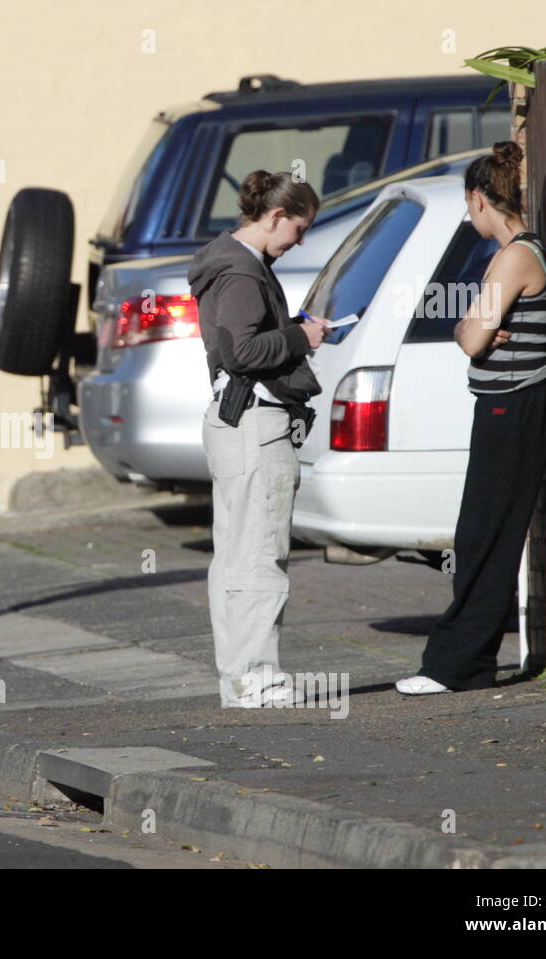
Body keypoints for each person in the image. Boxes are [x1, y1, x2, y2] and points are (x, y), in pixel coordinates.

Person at [398, 141, 546, 695]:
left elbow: (470, 339)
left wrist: (474, 326)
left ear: (478, 199)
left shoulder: (514, 255)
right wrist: (478, 325)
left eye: (469, 205)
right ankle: (462, 661)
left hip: (512, 404)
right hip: (503, 403)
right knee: (480, 532)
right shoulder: (513, 254)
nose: (469, 215)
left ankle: (458, 666)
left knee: (486, 534)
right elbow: (478, 330)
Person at [188, 170, 327, 707]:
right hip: (256, 424)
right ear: (273, 217)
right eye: (299, 227)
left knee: (234, 552)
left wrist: (292, 328)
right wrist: (301, 336)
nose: (300, 239)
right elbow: (243, 352)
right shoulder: (244, 274)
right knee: (259, 553)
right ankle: (257, 680)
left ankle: (239, 678)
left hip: (233, 421)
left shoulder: (227, 264)